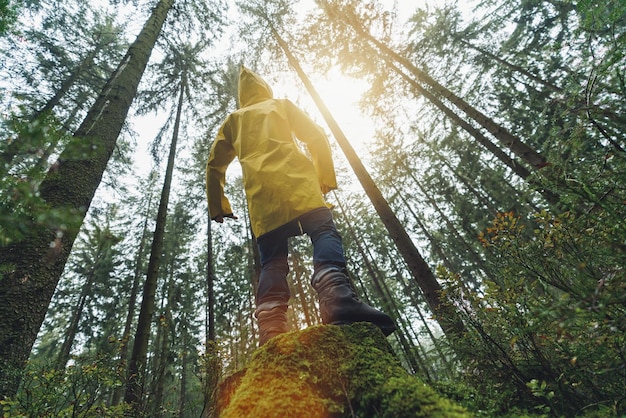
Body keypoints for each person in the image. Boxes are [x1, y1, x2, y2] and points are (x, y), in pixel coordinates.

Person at [206, 66, 395, 345]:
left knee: (272, 260)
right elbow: (315, 135)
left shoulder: (233, 120)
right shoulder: (280, 105)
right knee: (324, 233)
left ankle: (271, 328)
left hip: (263, 200)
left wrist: (218, 205)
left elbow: (214, 165)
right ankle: (337, 298)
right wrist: (324, 177)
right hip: (299, 185)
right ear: (264, 88)